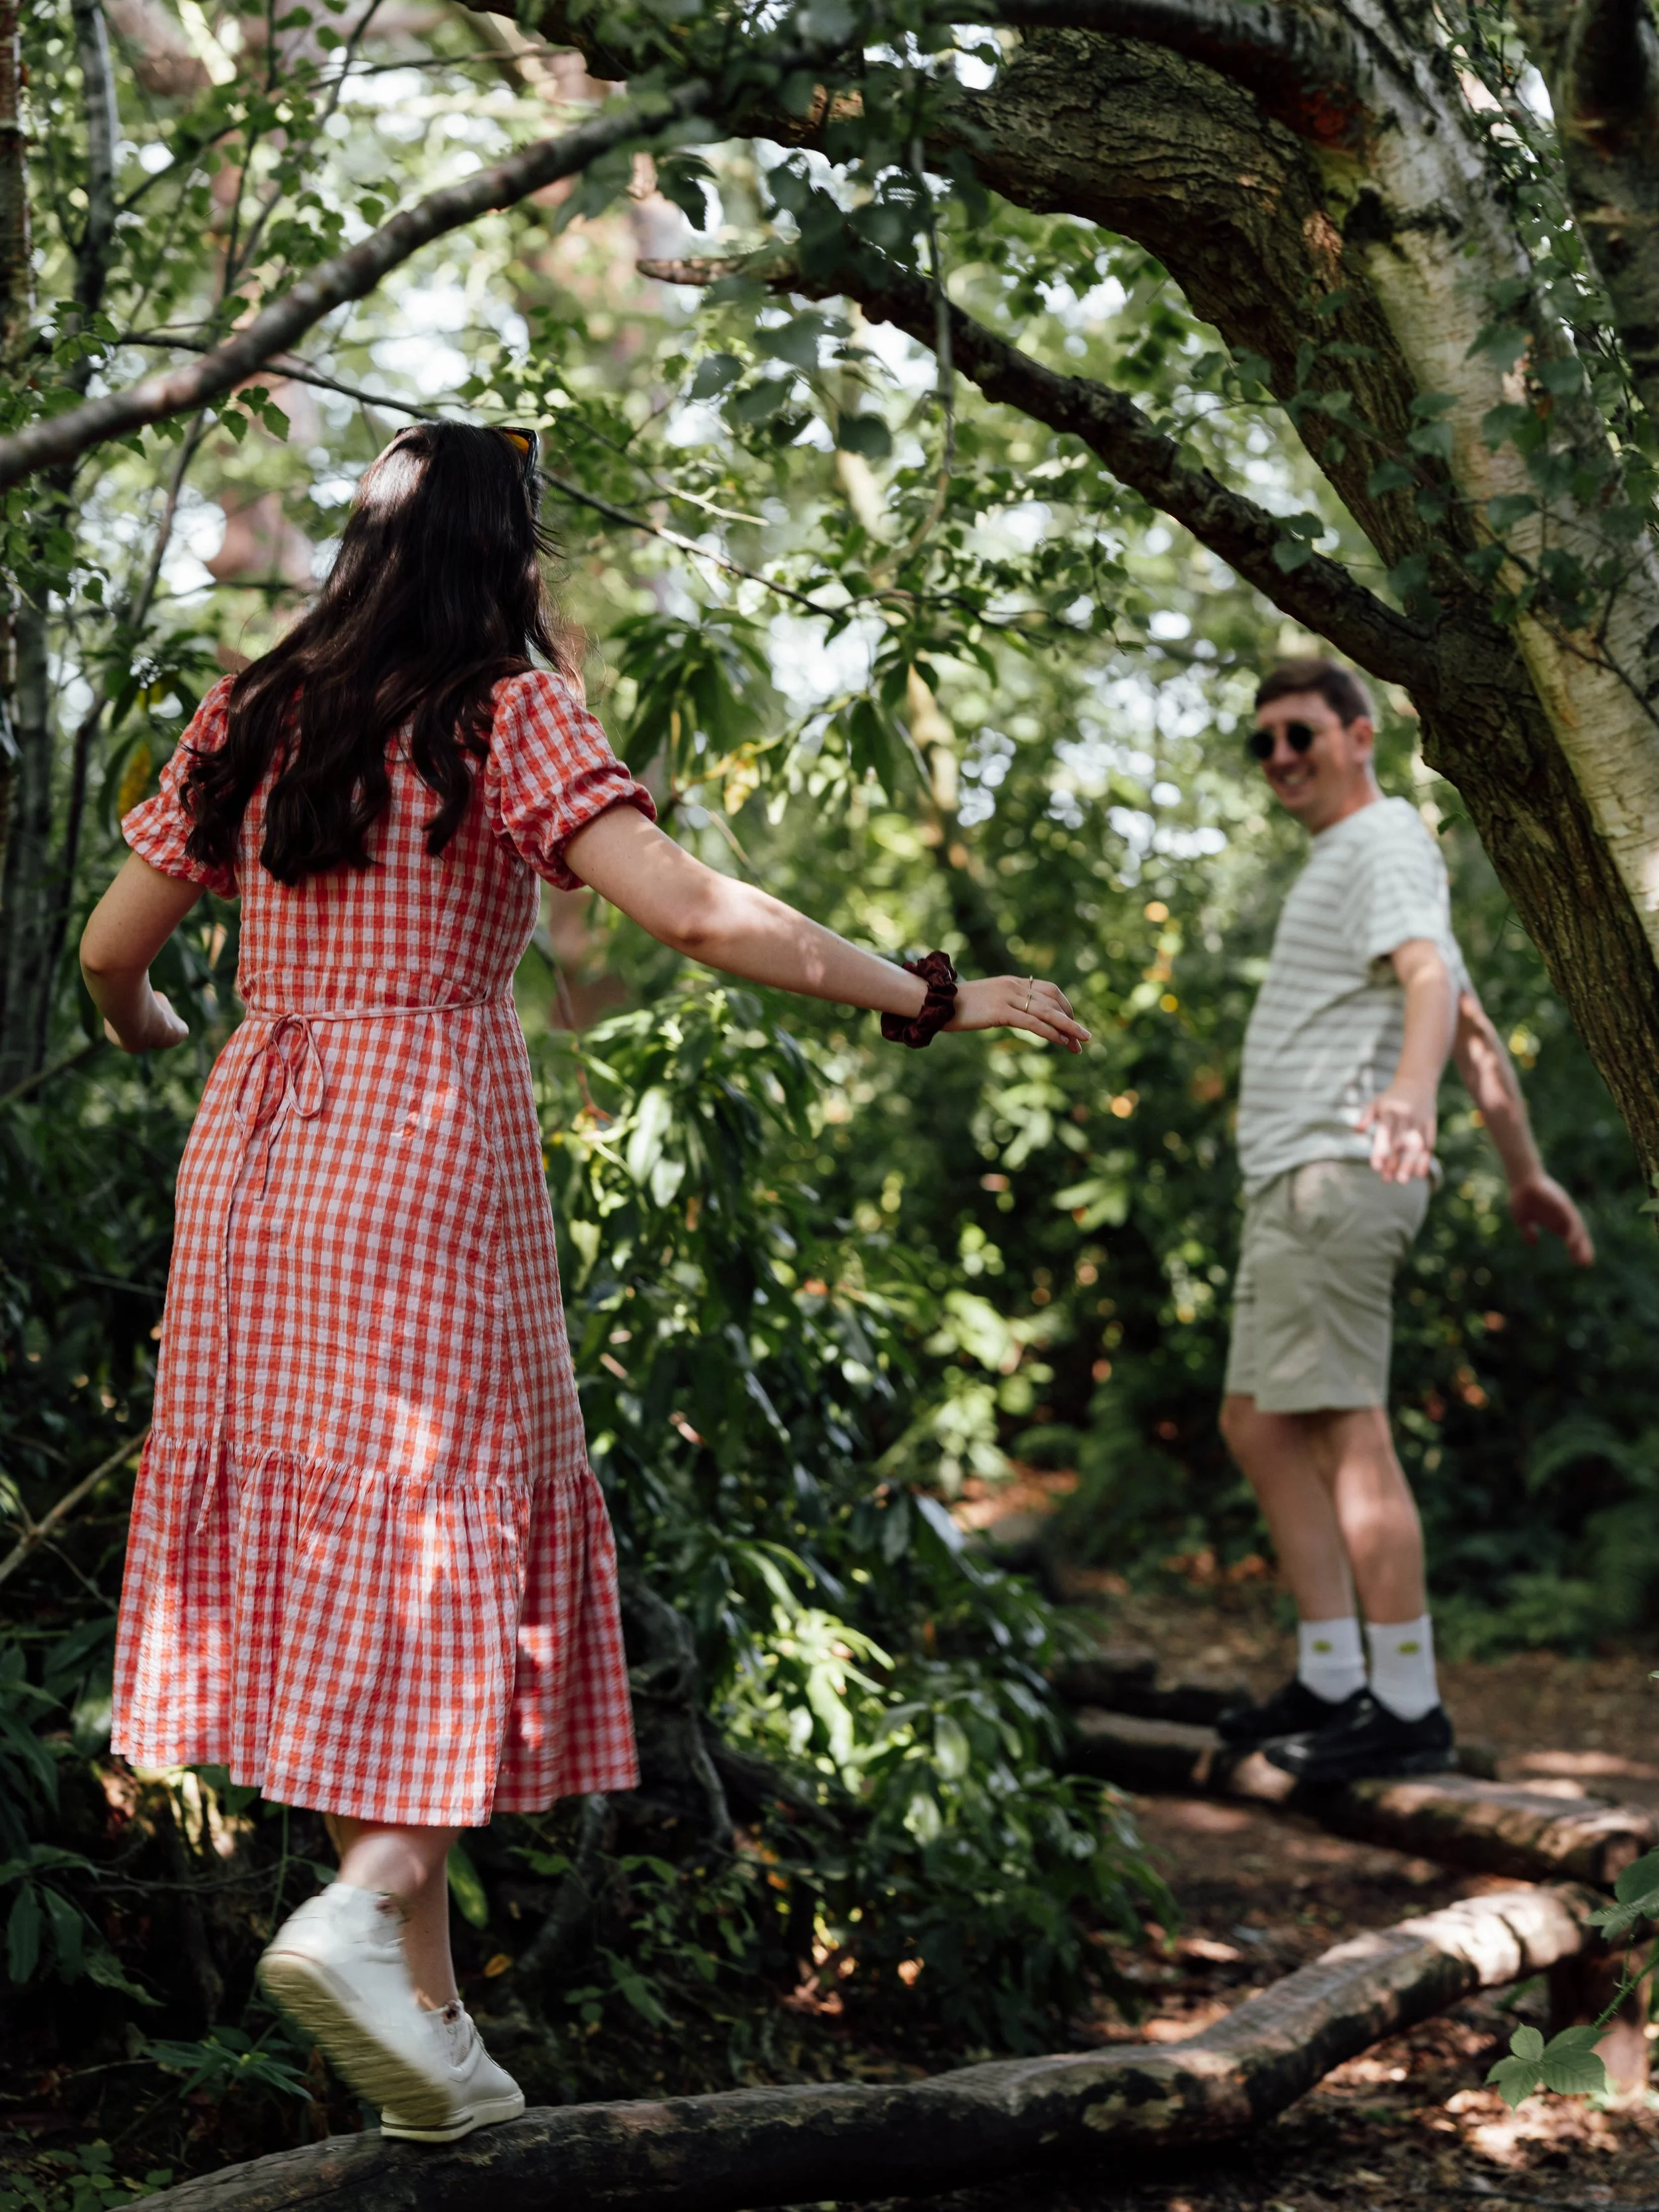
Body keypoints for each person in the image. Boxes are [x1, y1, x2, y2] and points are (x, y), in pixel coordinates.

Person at [80, 421, 1088, 2142]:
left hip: (255, 1160)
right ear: (508, 553)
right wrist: (923, 994)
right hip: (419, 1154)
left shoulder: (254, 701)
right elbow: (691, 913)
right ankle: (366, 1902)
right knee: (441, 1533)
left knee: (349, 1551)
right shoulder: (502, 701)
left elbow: (116, 948)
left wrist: (160, 1026)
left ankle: (433, 2033)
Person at [1214, 656, 1593, 1783]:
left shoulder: (1380, 845)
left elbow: (1432, 991)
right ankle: (1335, 1676)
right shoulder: (1374, 862)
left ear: (1360, 734)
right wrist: (1524, 1170)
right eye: (1264, 742)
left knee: (1341, 1424)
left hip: (1334, 1170)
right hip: (1298, 1179)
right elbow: (1474, 1023)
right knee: (1255, 1418)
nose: (1282, 757)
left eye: (1300, 734)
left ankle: (1408, 1705)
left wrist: (1407, 1096)